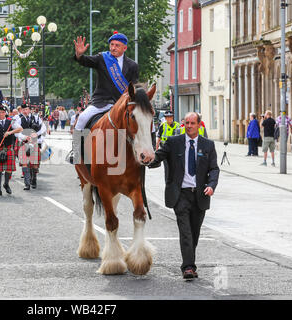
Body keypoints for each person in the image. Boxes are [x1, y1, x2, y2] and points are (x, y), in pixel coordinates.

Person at [148, 112, 220, 280]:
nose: (189, 126)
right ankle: (188, 267)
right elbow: (159, 156)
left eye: (192, 123)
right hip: (180, 194)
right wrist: (148, 159)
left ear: (199, 125)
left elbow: (214, 169)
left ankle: (189, 261)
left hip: (200, 195)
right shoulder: (174, 142)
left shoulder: (208, 145)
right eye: (186, 123)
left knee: (194, 232)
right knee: (185, 231)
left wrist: (211, 186)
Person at [69, 32, 139, 163]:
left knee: (143, 121)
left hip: (122, 104)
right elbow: (85, 61)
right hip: (100, 102)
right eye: (111, 45)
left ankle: (146, 151)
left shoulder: (132, 65)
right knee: (82, 118)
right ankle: (76, 150)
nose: (113, 48)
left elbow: (133, 87)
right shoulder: (103, 58)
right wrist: (79, 54)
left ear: (125, 48)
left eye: (117, 45)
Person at [0, 105, 23, 196]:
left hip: (8, 147)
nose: (0, 114)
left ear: (5, 113)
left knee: (9, 169)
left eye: (2, 112)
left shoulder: (11, 122)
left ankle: (6, 184)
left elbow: (20, 129)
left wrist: (10, 132)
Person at [13, 104, 47, 190]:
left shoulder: (36, 118)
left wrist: (37, 134)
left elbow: (43, 128)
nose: (25, 111)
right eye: (23, 109)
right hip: (24, 142)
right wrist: (24, 137)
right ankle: (27, 183)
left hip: (34, 142)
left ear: (29, 110)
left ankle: (34, 180)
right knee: (25, 163)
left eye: (27, 109)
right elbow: (16, 132)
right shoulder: (18, 119)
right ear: (21, 110)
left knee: (34, 164)